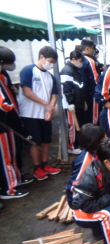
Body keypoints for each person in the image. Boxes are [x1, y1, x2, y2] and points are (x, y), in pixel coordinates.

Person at [18, 46, 61, 181]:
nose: (51, 64)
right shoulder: (28, 70)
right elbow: (27, 91)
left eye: (53, 63)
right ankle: (37, 168)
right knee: (34, 141)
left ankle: (45, 164)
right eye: (50, 61)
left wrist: (50, 108)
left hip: (45, 114)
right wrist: (46, 104)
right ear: (42, 57)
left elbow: (54, 95)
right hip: (30, 114)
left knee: (46, 140)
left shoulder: (50, 77)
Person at [0, 46, 33, 189]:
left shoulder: (3, 74)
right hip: (3, 122)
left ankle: (16, 178)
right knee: (6, 156)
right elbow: (3, 103)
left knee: (14, 152)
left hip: (10, 120)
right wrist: (10, 108)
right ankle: (9, 188)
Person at [65, 124, 105, 209]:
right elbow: (73, 184)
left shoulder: (96, 152)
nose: (107, 140)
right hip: (84, 200)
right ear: (97, 141)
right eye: (104, 139)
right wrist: (74, 203)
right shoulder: (85, 161)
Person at [60, 50, 85, 155]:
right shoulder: (67, 70)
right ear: (73, 59)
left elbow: (79, 86)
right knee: (73, 125)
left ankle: (76, 144)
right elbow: (66, 88)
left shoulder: (74, 70)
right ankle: (72, 146)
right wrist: (70, 102)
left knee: (77, 124)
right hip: (70, 104)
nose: (81, 63)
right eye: (80, 60)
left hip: (77, 102)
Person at [80, 39, 99, 125]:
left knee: (85, 116)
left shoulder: (79, 58)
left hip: (82, 92)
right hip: (92, 92)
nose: (94, 50)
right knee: (93, 116)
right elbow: (96, 79)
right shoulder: (90, 61)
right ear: (87, 48)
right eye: (93, 48)